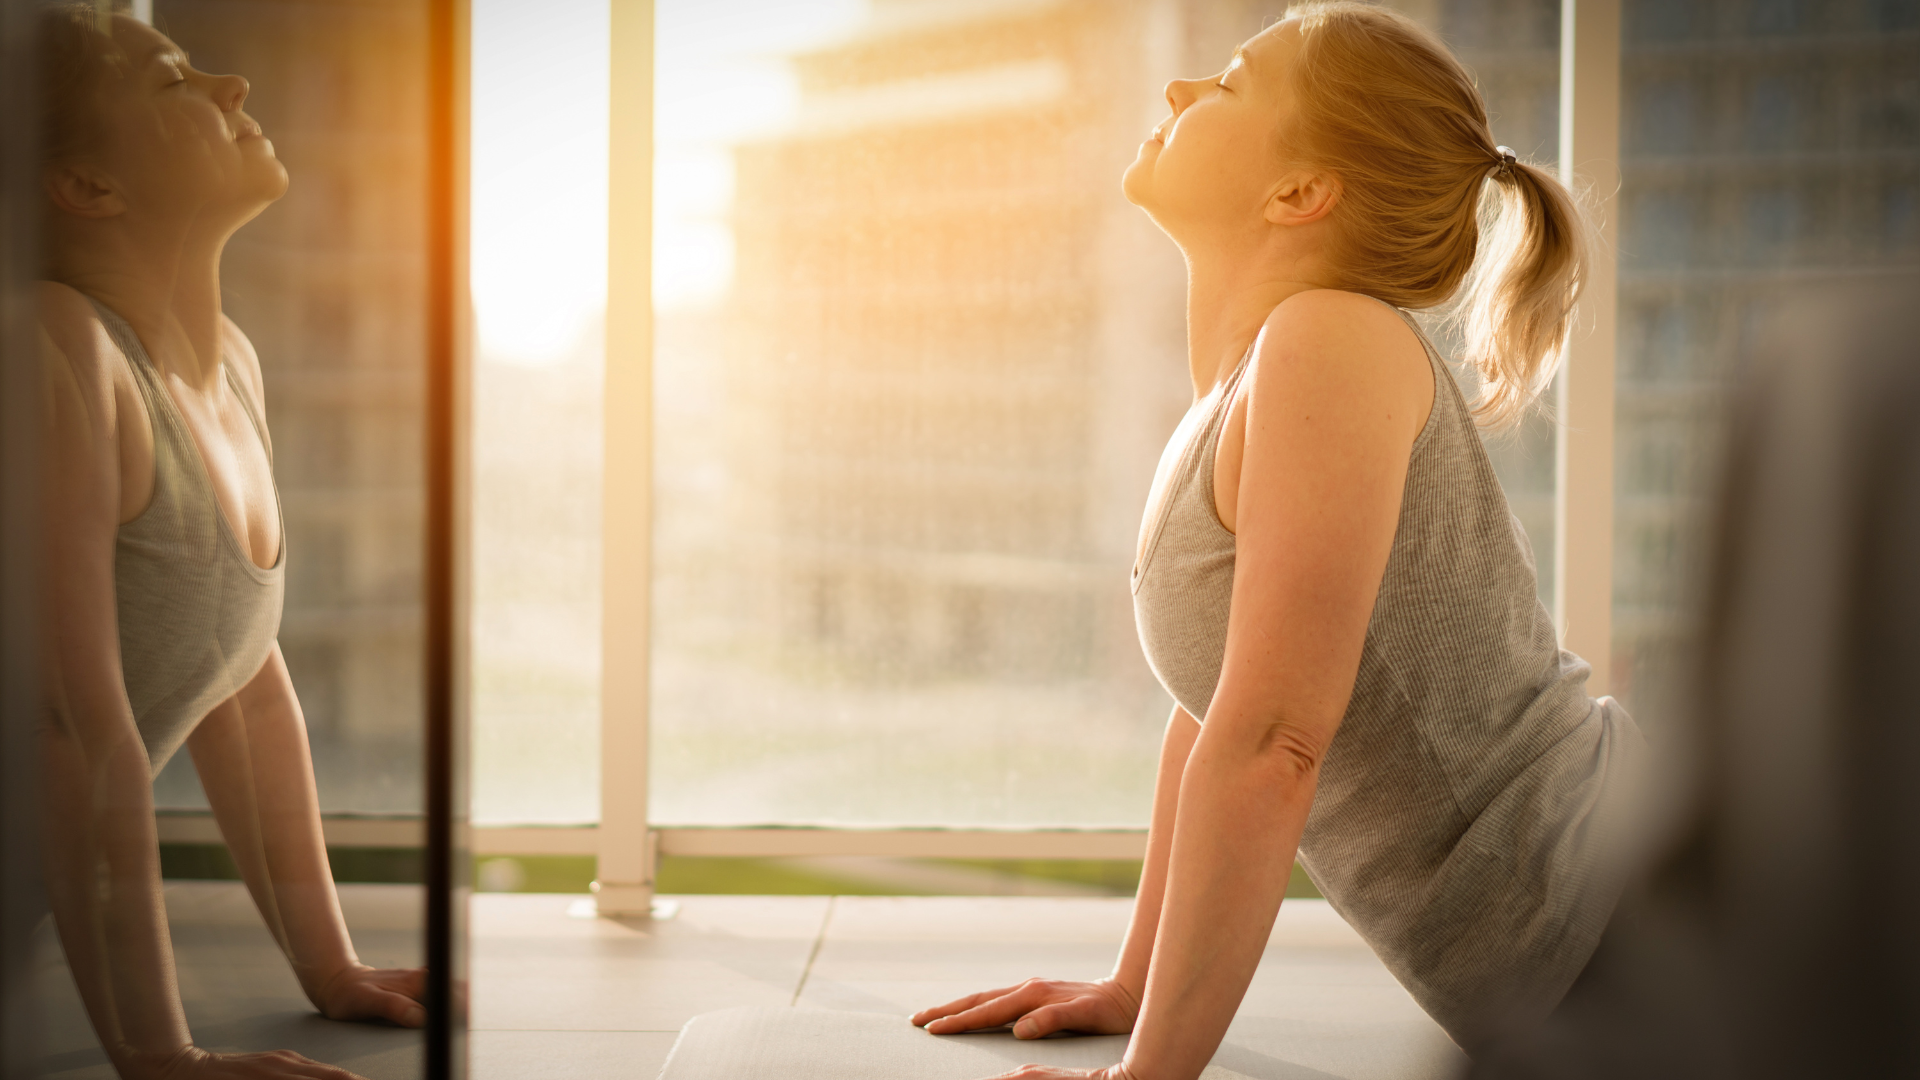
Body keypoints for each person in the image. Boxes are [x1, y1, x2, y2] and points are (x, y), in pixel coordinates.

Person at [910, 4, 1643, 1076]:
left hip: (1656, 925)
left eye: (1231, 82)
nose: (1179, 92)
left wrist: (1152, 1075)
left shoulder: (1329, 340)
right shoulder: (1246, 385)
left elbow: (1270, 749)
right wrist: (1135, 988)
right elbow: (1216, 713)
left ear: (1300, 193)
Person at [37, 7, 423, 1078]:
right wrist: (159, 1058)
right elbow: (69, 730)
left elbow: (245, 692)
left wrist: (333, 970)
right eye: (173, 83)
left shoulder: (234, 365)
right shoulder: (56, 346)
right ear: (87, 186)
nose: (232, 85)